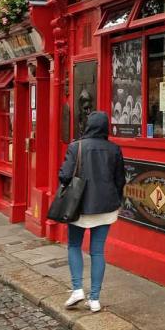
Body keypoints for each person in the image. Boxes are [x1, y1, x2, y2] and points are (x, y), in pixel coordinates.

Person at [59, 112, 126, 312]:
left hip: (78, 206)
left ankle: (77, 289)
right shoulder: (114, 149)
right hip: (106, 206)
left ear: (87, 125)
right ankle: (95, 299)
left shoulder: (76, 146)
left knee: (74, 245)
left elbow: (64, 175)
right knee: (97, 251)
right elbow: (120, 180)